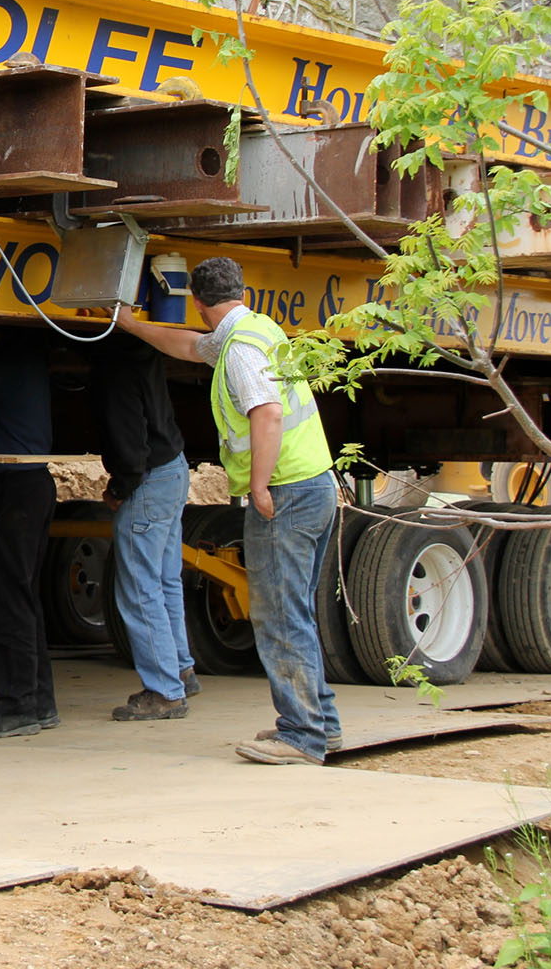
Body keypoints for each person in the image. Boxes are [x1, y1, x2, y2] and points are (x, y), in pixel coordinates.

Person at [113, 256, 341, 764]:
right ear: (241, 291)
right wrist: (131, 325)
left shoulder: (239, 349)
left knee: (279, 616)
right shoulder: (256, 328)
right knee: (295, 613)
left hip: (286, 492)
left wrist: (258, 487)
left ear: (197, 301)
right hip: (313, 485)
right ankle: (320, 725)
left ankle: (301, 736)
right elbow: (190, 346)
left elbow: (268, 413)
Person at [93, 332, 196, 721]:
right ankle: (181, 670)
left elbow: (128, 441)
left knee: (140, 589)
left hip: (150, 480)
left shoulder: (114, 366)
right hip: (173, 469)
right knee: (165, 581)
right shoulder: (144, 349)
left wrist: (122, 486)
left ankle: (164, 691)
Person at [0, 327, 59, 739]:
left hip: (14, 490)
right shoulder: (29, 361)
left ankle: (16, 706)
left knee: (6, 604)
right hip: (33, 486)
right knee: (25, 599)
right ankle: (39, 701)